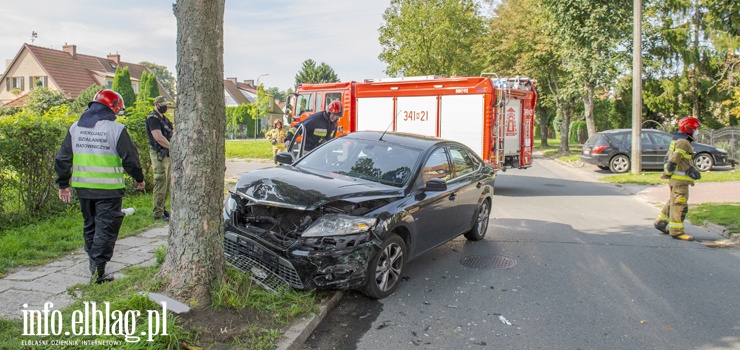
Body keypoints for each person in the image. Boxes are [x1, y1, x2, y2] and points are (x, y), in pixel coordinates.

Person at [55, 89, 145, 284]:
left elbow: (62, 158)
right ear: (113, 108)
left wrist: (63, 184)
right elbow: (130, 159)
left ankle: (93, 263)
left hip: (83, 188)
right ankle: (99, 271)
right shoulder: (116, 130)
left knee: (91, 226)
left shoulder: (75, 128)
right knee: (106, 228)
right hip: (109, 189)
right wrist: (139, 178)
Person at [653, 116, 702, 241]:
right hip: (680, 180)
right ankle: (677, 231)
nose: (697, 131)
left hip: (676, 179)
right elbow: (674, 160)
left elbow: (676, 159)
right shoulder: (684, 142)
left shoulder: (677, 140)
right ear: (688, 128)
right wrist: (668, 173)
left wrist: (689, 169)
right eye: (696, 129)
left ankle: (661, 222)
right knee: (679, 204)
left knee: (673, 201)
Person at [146, 96, 173, 221]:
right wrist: (173, 147)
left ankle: (162, 208)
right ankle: (157, 212)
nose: (165, 107)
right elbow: (158, 137)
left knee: (167, 184)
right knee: (160, 181)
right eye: (163, 104)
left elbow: (170, 133)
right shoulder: (153, 118)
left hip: (166, 153)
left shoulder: (165, 119)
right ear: (157, 104)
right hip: (159, 154)